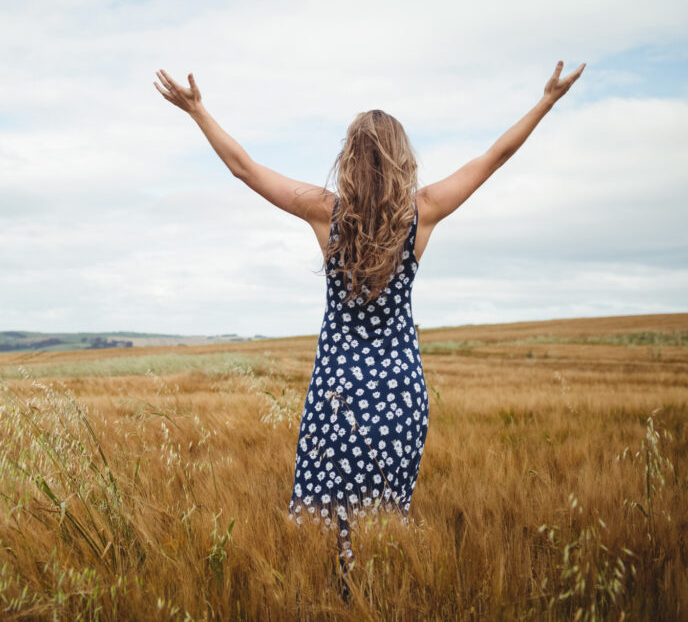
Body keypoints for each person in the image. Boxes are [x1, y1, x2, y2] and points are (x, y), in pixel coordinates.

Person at [153, 61, 585, 593]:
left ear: (349, 160)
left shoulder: (324, 212)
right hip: (401, 392)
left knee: (323, 523)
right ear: (403, 159)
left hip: (338, 391)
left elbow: (245, 168)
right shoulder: (421, 213)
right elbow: (494, 158)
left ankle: (329, 598)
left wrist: (198, 111)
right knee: (383, 524)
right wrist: (545, 102)